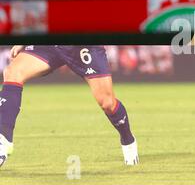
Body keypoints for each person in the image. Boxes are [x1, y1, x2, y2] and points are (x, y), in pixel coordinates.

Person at [0, 45, 139, 167]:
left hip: (84, 46)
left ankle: (128, 139)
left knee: (107, 103)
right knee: (12, 72)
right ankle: (3, 141)